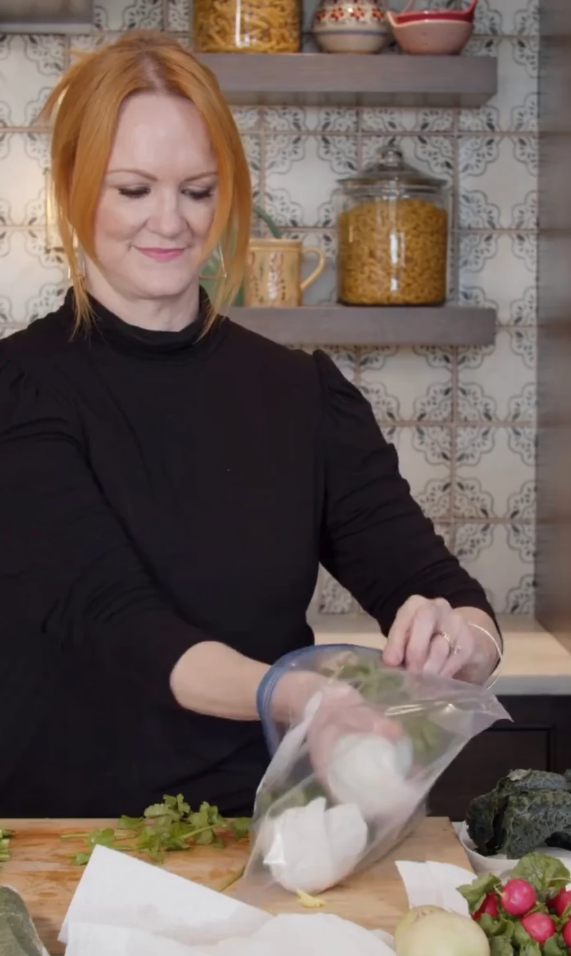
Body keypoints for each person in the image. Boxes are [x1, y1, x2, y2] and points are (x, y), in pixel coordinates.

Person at [0, 31, 501, 819]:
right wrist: (295, 692)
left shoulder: (301, 393)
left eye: (197, 190)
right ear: (71, 189)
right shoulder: (20, 390)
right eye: (133, 189)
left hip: (261, 837)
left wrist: (462, 640)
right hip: (64, 842)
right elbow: (116, 621)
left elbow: (434, 584)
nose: (170, 222)